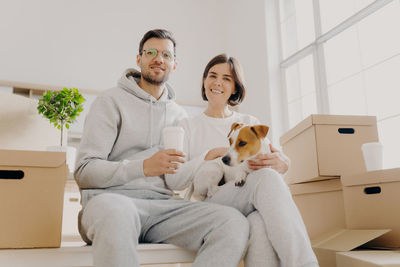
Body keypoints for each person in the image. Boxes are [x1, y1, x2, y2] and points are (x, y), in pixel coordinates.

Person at [74, 30, 250, 267]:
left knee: (233, 222)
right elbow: (84, 171)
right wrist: (143, 167)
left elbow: (179, 178)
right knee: (117, 213)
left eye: (166, 54)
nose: (159, 59)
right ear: (139, 59)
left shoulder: (181, 116)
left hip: (164, 209)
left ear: (174, 65)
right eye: (151, 52)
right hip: (111, 202)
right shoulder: (110, 101)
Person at [165, 54, 319, 267]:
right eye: (212, 76)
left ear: (235, 87)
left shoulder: (248, 122)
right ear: (204, 81)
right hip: (209, 201)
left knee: (259, 222)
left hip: (248, 196)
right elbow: (174, 180)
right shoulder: (187, 126)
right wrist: (208, 155)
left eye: (227, 78)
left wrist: (283, 163)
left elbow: (277, 160)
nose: (218, 82)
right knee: (265, 179)